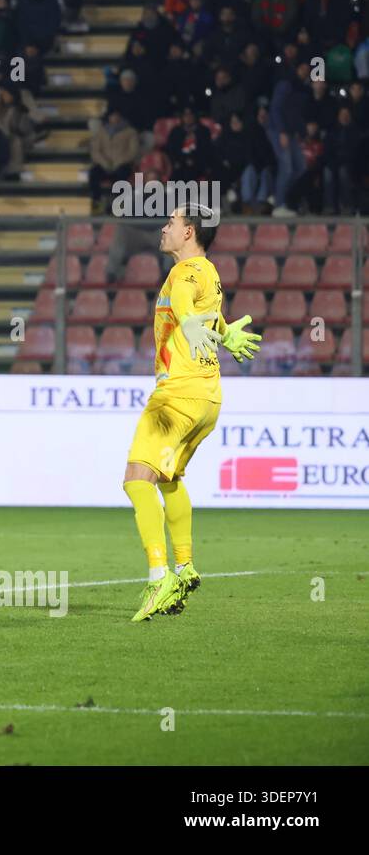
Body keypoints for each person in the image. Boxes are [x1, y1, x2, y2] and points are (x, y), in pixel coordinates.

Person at [124, 206, 261, 621]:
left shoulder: (183, 273)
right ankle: (184, 567)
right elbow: (209, 317)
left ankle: (158, 575)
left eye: (171, 223)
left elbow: (184, 305)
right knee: (168, 479)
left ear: (188, 232)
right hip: (208, 399)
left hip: (177, 396)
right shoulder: (209, 272)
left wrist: (186, 320)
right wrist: (225, 331)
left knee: (136, 480)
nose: (164, 228)